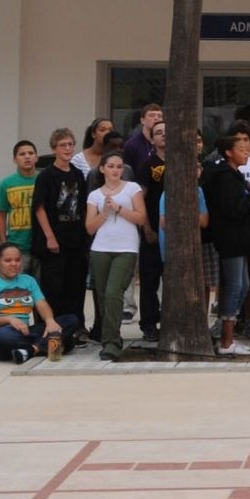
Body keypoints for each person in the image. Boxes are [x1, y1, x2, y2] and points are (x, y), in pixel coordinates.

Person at [203, 129, 250, 356]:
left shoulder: (233, 174)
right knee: (234, 286)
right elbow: (232, 209)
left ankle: (229, 333)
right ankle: (227, 341)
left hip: (240, 239)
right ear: (229, 152)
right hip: (230, 239)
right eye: (240, 149)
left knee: (245, 284)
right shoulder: (224, 177)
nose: (247, 152)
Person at [0, 243, 78, 364]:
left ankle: (31, 350)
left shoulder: (28, 280)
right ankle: (49, 344)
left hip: (25, 332)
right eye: (8, 260)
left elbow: (41, 303)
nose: (14, 264)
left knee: (72, 319)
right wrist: (9, 319)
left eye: (17, 260)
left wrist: (49, 321)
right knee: (63, 341)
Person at [84, 151, 145, 361]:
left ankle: (111, 342)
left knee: (113, 293)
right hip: (100, 248)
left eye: (119, 166)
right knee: (102, 295)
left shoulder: (132, 188)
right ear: (102, 169)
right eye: (111, 166)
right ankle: (107, 337)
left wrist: (119, 209)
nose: (115, 170)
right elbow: (90, 228)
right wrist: (105, 212)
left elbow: (141, 217)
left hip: (126, 248)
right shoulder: (95, 195)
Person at [32, 128, 91, 332]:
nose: (67, 148)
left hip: (76, 238)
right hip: (55, 240)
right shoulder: (47, 176)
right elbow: (39, 208)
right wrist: (49, 237)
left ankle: (75, 327)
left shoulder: (77, 174)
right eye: (63, 145)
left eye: (70, 144)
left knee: (75, 286)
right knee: (52, 287)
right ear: (54, 149)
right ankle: (49, 327)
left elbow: (83, 206)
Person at [130, 121, 167, 342]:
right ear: (152, 139)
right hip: (153, 232)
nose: (163, 136)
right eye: (158, 133)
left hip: (178, 236)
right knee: (150, 282)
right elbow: (139, 200)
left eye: (167, 132)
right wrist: (147, 228)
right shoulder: (147, 166)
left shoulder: (184, 163)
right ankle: (149, 324)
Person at [0, 140, 41, 266]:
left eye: (31, 153)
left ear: (37, 157)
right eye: (22, 154)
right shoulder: (6, 184)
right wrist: (3, 243)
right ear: (14, 159)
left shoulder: (44, 180)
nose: (27, 157)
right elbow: (1, 214)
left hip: (41, 244)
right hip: (17, 245)